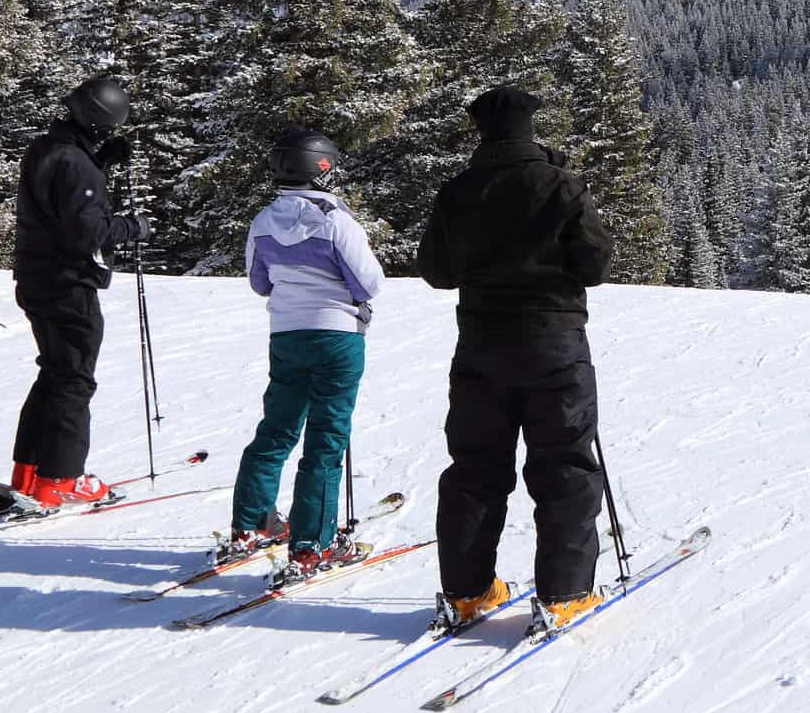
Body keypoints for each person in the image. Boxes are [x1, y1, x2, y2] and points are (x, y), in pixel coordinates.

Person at [418, 85, 615, 634]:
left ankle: (467, 592)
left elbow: (436, 271)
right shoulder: (561, 185)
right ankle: (564, 593)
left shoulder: (457, 191)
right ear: (532, 127)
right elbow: (595, 265)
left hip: (480, 345)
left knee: (474, 469)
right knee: (564, 466)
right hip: (554, 342)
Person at [225, 128, 386, 582]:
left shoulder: (263, 220)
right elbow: (370, 282)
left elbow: (259, 282)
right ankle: (314, 543)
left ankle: (251, 522)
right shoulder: (335, 220)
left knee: (276, 427)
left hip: (287, 334)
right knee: (326, 437)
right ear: (322, 168)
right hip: (337, 336)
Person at [3, 74, 151, 509]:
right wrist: (132, 227)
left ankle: (28, 473)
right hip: (66, 283)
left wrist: (100, 161)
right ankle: (61, 478)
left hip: (35, 277)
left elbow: (61, 202)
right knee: (74, 379)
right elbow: (85, 232)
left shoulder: (48, 147)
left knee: (53, 374)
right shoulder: (74, 162)